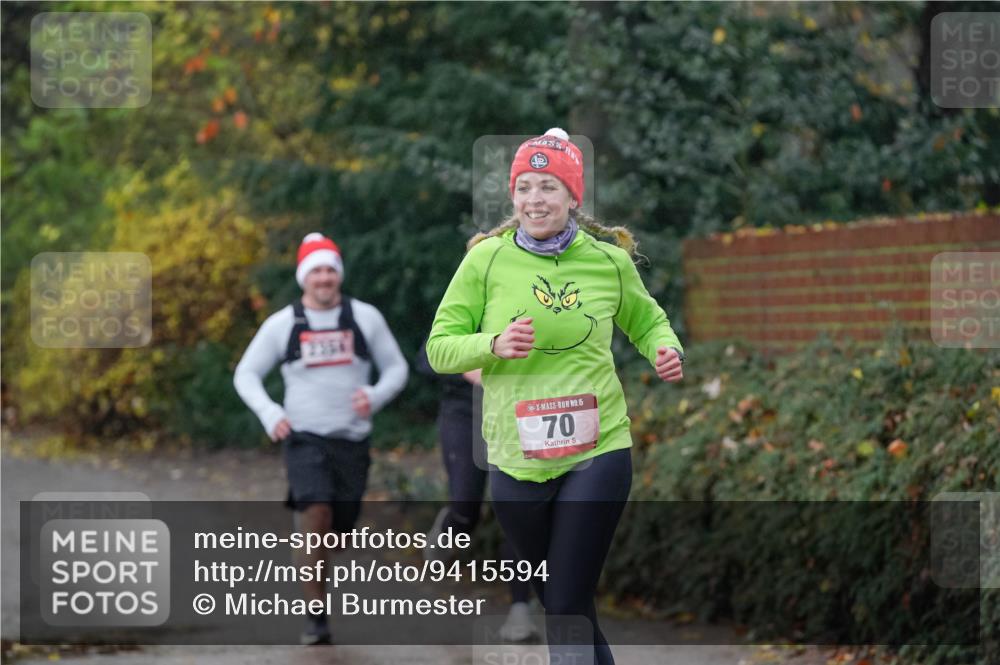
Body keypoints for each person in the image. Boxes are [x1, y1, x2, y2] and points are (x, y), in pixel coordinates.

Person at [426, 129, 684, 665]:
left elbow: (647, 318)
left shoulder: (608, 262)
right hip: (516, 459)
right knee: (565, 604)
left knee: (565, 600)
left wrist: (665, 348)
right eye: (524, 187)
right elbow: (439, 349)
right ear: (512, 196)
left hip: (599, 450)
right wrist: (492, 344)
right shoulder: (486, 261)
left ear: (573, 198)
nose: (534, 199)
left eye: (548, 186)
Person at [234, 232, 408, 645]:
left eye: (331, 270)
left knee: (338, 531)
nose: (325, 278)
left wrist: (376, 395)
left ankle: (313, 553)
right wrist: (270, 412)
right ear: (303, 278)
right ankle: (316, 616)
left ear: (339, 275)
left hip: (352, 440)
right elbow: (246, 374)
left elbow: (397, 369)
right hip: (303, 437)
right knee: (316, 515)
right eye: (317, 271)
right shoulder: (283, 324)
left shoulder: (364, 318)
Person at [415, 343, 539, 642]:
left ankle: (520, 610)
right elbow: (425, 358)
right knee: (466, 506)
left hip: (517, 414)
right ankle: (452, 525)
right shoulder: (466, 298)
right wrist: (466, 368)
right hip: (466, 411)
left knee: (516, 512)